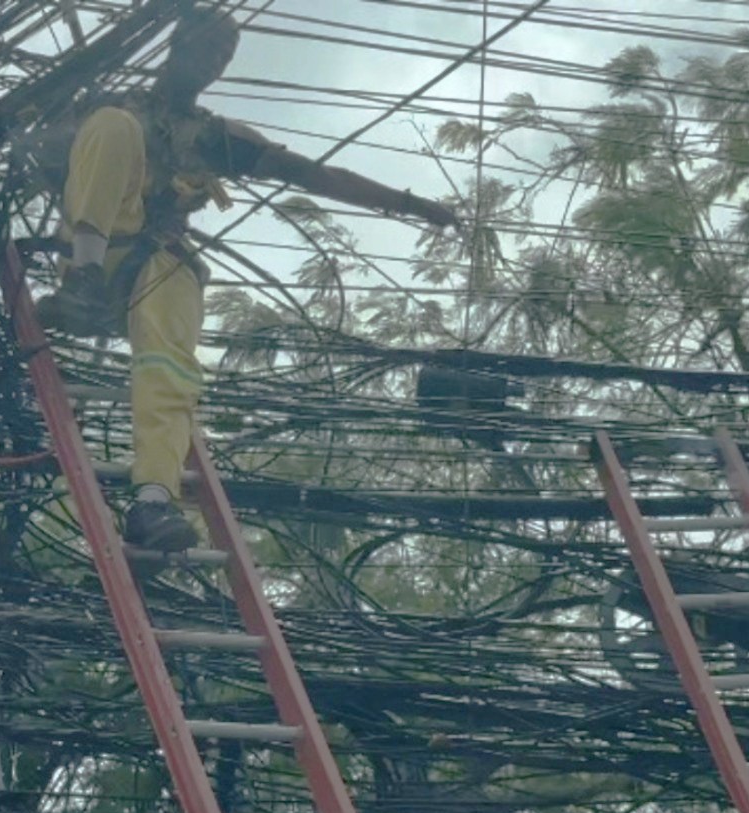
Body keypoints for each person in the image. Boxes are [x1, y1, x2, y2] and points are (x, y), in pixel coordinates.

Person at [36, 4, 457, 552]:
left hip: (156, 262)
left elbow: (313, 174)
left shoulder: (217, 137)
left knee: (171, 372)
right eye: (208, 48)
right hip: (99, 251)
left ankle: (154, 502)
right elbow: (42, 149)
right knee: (114, 126)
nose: (214, 63)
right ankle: (83, 284)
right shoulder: (112, 109)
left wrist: (407, 203)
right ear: (178, 44)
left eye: (225, 56)